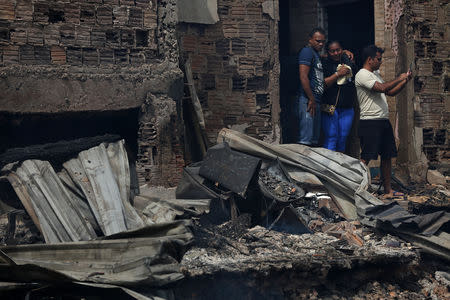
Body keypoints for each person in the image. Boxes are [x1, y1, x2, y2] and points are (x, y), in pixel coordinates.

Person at [355, 45, 412, 198]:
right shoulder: (362, 74)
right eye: (379, 59)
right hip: (370, 122)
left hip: (382, 121)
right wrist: (398, 78)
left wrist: (404, 81)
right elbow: (381, 88)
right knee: (366, 157)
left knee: (387, 155)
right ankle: (354, 187)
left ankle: (388, 190)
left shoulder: (375, 74)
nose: (380, 62)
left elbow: (390, 92)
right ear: (370, 59)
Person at [321, 41, 356, 152]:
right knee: (331, 137)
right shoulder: (324, 64)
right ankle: (328, 166)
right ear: (328, 52)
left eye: (338, 50)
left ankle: (338, 167)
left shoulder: (347, 61)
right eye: (333, 51)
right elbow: (322, 85)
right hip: (330, 108)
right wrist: (338, 74)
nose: (336, 53)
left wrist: (345, 54)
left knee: (343, 138)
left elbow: (352, 70)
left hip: (347, 108)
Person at [297, 28, 326, 146]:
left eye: (323, 41)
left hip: (315, 101)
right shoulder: (307, 52)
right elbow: (303, 77)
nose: (321, 44)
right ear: (310, 40)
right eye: (318, 41)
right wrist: (311, 98)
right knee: (306, 140)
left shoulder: (316, 54)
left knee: (314, 140)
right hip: (307, 100)